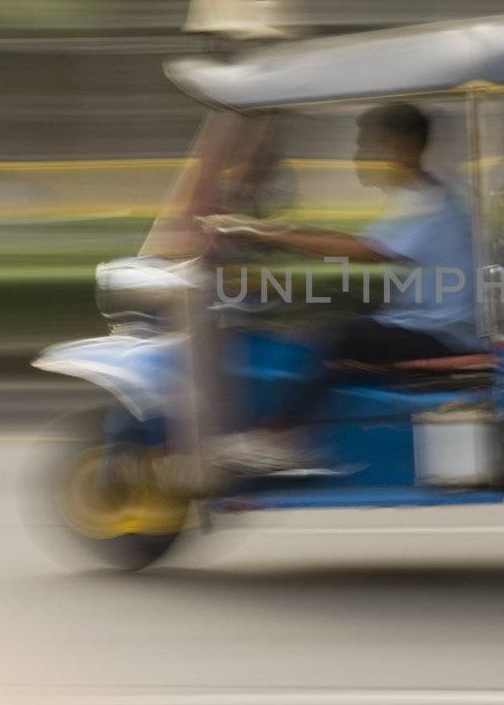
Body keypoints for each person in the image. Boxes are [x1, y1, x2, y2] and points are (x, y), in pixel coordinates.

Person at [205, 102, 479, 470]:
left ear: (406, 147)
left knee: (336, 334)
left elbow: (361, 249)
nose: (359, 157)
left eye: (369, 147)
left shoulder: (429, 205)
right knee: (327, 328)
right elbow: (361, 244)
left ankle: (278, 439)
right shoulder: (420, 198)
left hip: (443, 334)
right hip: (426, 321)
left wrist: (263, 231)